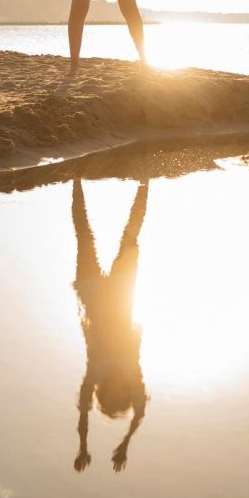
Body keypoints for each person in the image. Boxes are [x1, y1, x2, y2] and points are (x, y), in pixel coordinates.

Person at [71, 177, 151, 472]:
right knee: (130, 239)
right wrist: (126, 442)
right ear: (127, 392)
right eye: (123, 396)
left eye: (113, 396)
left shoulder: (96, 373)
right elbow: (140, 410)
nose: (119, 391)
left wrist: (83, 446)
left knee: (84, 236)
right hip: (120, 294)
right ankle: (145, 183)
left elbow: (83, 413)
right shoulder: (132, 371)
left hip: (92, 293)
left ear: (105, 392)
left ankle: (76, 179)